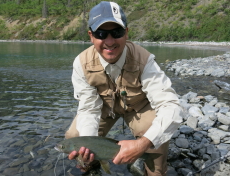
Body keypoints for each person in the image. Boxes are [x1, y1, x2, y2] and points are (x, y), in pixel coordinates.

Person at [65, 1, 183, 176]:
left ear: (126, 33)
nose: (110, 41)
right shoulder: (81, 63)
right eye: (101, 34)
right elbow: (89, 109)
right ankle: (92, 167)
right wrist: (88, 148)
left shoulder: (144, 60)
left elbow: (172, 106)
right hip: (104, 109)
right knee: (75, 137)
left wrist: (143, 144)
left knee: (154, 140)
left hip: (138, 108)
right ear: (91, 36)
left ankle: (148, 167)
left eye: (117, 32)